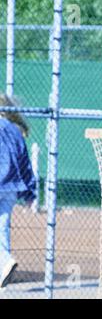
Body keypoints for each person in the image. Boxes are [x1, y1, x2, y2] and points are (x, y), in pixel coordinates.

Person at [0, 94, 36, 288]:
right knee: (2, 227)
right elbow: (25, 163)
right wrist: (30, 193)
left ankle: (4, 261)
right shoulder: (15, 130)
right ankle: (3, 271)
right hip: (11, 186)